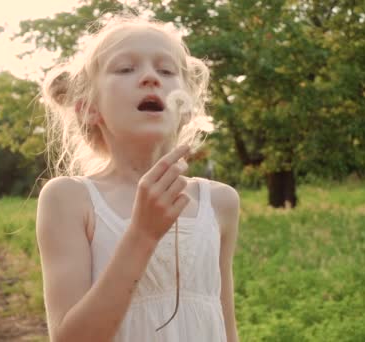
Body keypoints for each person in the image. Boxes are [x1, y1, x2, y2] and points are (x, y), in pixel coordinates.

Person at [35, 14, 240, 342]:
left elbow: (227, 327)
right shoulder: (69, 199)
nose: (150, 78)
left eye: (166, 70)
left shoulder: (219, 202)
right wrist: (142, 234)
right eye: (126, 68)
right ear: (88, 107)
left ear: (186, 105)